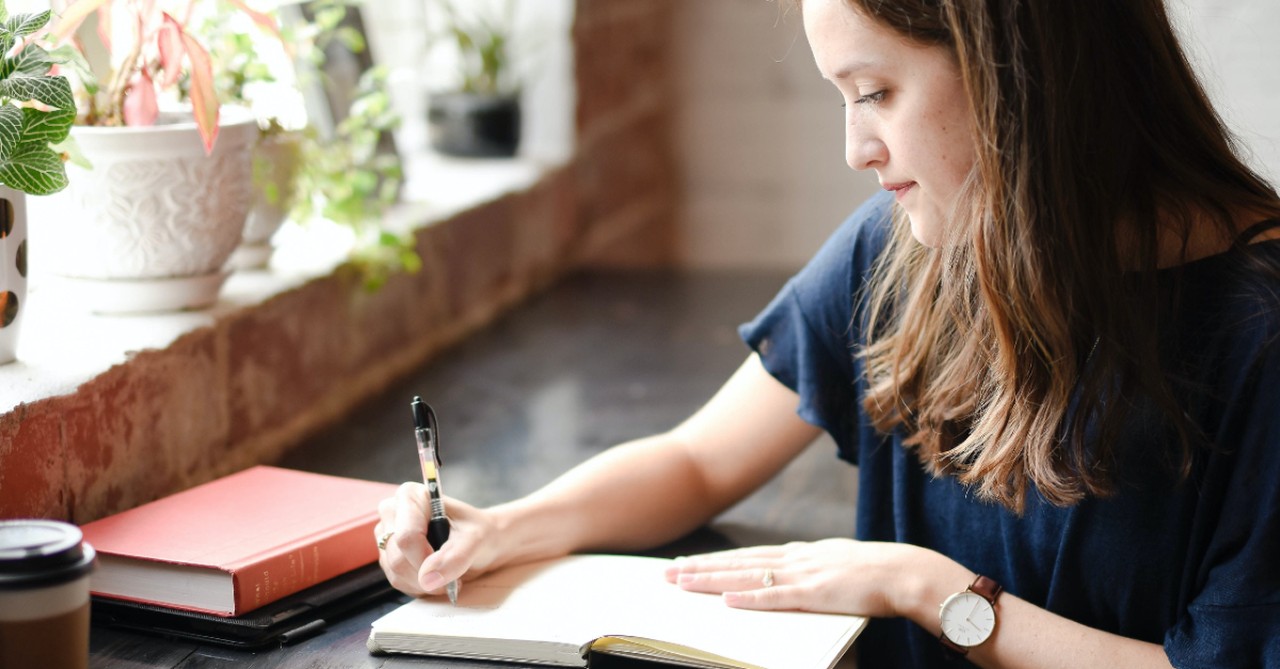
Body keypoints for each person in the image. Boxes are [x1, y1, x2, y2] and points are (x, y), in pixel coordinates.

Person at [376, 0, 1280, 666]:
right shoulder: (908, 247)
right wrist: (504, 527)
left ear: (1019, 70)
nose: (856, 148)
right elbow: (697, 461)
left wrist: (930, 591)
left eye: (876, 92)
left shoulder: (1261, 334)